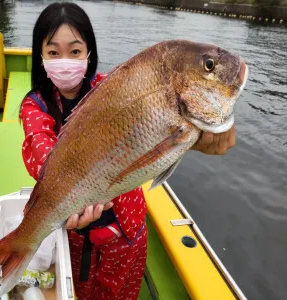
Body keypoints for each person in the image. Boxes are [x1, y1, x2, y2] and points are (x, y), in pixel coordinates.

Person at [19, 2, 235, 299]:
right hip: (77, 237)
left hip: (128, 231)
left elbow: (152, 126)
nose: (65, 60)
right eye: (54, 52)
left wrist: (212, 134)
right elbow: (42, 155)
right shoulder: (35, 105)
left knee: (123, 292)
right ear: (40, 56)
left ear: (89, 53)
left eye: (75, 51)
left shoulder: (110, 87)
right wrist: (66, 195)